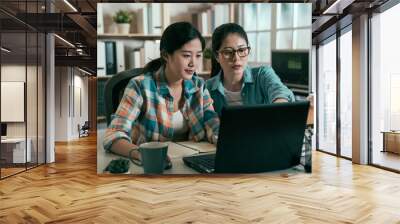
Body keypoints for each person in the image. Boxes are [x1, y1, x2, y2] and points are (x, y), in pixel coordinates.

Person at [103, 22, 219, 163]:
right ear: (166, 55)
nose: (193, 63)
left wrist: (226, 140)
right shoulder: (140, 86)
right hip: (151, 165)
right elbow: (113, 135)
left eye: (198, 55)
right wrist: (140, 154)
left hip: (191, 161)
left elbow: (213, 124)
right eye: (186, 55)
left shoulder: (199, 86)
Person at [206, 23, 295, 116]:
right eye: (228, 52)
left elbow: (280, 91)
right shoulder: (207, 89)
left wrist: (280, 105)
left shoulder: (262, 75)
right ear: (217, 56)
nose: (236, 58)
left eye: (241, 50)